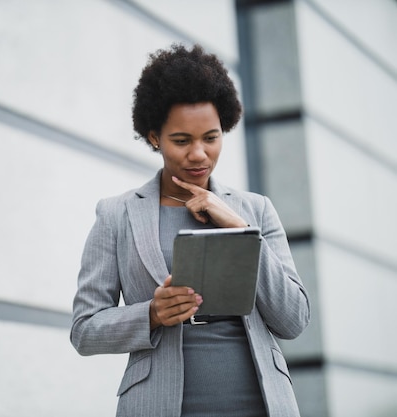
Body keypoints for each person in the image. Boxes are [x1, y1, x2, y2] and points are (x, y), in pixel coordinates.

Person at [70, 44, 310, 417]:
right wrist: (150, 314)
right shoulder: (116, 214)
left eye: (211, 138)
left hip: (258, 399)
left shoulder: (255, 209)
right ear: (154, 137)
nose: (199, 154)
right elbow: (85, 330)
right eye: (182, 141)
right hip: (159, 402)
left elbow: (292, 319)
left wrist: (241, 229)